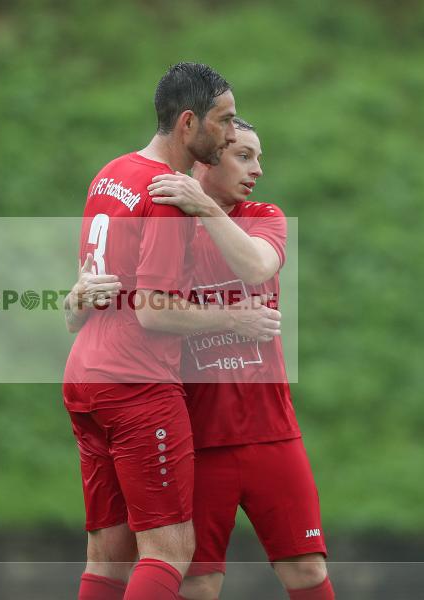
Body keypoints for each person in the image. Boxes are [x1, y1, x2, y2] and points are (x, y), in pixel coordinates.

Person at [63, 63, 282, 600]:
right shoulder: (169, 193)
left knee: (107, 559)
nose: (232, 134)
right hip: (136, 382)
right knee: (169, 551)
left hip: (84, 380)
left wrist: (71, 305)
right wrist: (237, 317)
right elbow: (155, 311)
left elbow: (90, 288)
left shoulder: (111, 172)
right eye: (225, 122)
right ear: (190, 123)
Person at [148, 117, 335, 600]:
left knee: (307, 574)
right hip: (198, 442)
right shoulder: (165, 222)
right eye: (244, 155)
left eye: (259, 157)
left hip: (271, 434)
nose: (258, 169)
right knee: (200, 585)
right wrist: (79, 299)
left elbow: (255, 265)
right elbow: (139, 307)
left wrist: (205, 207)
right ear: (209, 156)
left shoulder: (265, 215)